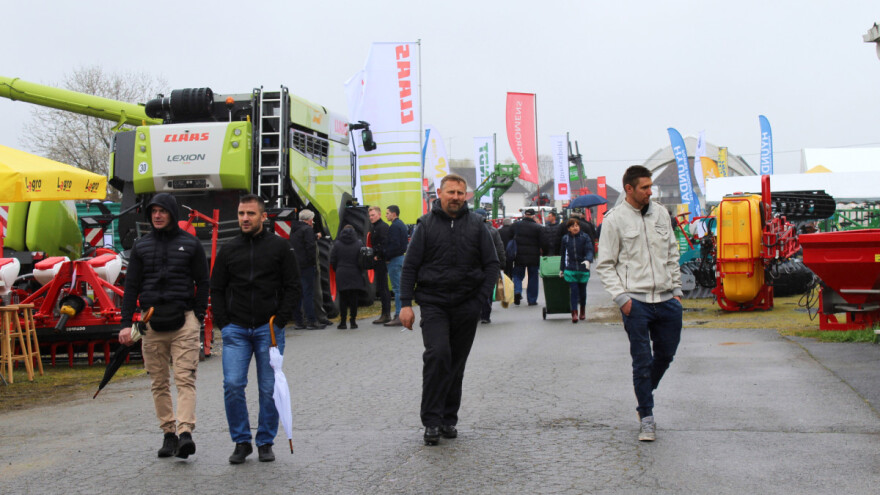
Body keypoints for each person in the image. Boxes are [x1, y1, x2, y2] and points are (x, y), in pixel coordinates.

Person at [399, 174, 499, 446]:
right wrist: (405, 304)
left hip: (467, 304)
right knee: (438, 355)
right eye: (451, 192)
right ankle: (431, 421)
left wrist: (480, 299)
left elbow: (492, 264)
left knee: (456, 364)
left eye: (461, 193)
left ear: (466, 196)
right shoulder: (425, 225)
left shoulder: (477, 225)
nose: (456, 197)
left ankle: (447, 419)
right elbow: (410, 267)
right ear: (440, 194)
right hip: (434, 303)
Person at [211, 194, 301, 464]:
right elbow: (216, 287)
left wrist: (281, 319)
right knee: (233, 385)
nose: (245, 219)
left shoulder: (279, 248)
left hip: (268, 329)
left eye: (250, 214)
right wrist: (223, 322)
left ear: (263, 216)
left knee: (268, 387)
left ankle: (264, 441)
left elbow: (293, 286)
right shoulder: (229, 249)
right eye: (241, 214)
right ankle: (241, 441)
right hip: (235, 330)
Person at [595, 165, 683, 442]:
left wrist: (677, 290)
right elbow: (606, 264)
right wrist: (622, 299)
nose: (650, 191)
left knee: (666, 355)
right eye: (645, 187)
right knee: (641, 361)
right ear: (629, 189)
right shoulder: (614, 220)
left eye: (651, 186)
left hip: (668, 299)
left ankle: (645, 389)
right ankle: (646, 415)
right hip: (637, 302)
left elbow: (672, 253)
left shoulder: (661, 214)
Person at [118, 193, 209, 460]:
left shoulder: (191, 244)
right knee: (158, 382)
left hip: (184, 321)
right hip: (151, 323)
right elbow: (131, 287)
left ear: (172, 213)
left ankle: (185, 434)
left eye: (162, 211)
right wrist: (126, 324)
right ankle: (168, 434)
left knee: (185, 379)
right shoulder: (141, 246)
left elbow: (203, 282)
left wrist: (199, 316)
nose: (157, 215)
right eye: (153, 211)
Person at [289, 209, 324, 329]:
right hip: (306, 266)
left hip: (295, 265)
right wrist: (313, 263)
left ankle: (298, 321)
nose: (312, 222)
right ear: (309, 220)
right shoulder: (308, 229)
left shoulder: (294, 229)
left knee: (298, 294)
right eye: (312, 219)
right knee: (308, 293)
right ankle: (311, 320)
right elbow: (310, 247)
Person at [559, 218, 594, 323]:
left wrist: (588, 260)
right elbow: (563, 255)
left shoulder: (585, 237)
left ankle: (582, 310)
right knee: (573, 291)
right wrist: (562, 269)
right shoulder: (565, 239)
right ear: (569, 228)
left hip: (583, 268)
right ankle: (574, 312)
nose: (575, 228)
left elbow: (589, 250)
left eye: (577, 226)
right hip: (571, 268)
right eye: (573, 226)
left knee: (582, 292)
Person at [330, 225, 365, 329]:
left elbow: (333, 260)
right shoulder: (359, 243)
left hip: (342, 273)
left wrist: (339, 269)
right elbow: (362, 260)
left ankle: (343, 322)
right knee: (354, 299)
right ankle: (353, 321)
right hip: (355, 272)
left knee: (343, 299)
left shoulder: (337, 244)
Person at [475, 209, 505, 324]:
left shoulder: (471, 230)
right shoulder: (493, 231)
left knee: (475, 289)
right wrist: (502, 264)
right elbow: (499, 248)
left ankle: (477, 313)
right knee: (487, 289)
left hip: (475, 265)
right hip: (490, 265)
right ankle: (485, 315)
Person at [511, 209, 543, 306]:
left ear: (524, 215)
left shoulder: (516, 225)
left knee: (517, 275)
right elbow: (543, 242)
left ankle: (517, 291)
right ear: (534, 216)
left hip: (519, 256)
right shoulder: (538, 227)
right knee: (533, 277)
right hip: (534, 256)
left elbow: (509, 238)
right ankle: (532, 300)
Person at [383, 204, 408, 327]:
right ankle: (401, 314)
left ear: (394, 214)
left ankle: (398, 315)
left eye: (387, 213)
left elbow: (394, 245)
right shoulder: (402, 225)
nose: (386, 215)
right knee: (400, 288)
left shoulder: (394, 227)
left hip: (395, 260)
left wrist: (386, 256)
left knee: (397, 289)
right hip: (402, 258)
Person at [368, 206, 392, 324]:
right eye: (370, 216)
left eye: (373, 215)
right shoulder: (375, 227)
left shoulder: (382, 227)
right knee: (381, 287)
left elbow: (384, 243)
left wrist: (377, 254)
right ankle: (385, 313)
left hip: (381, 260)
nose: (371, 217)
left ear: (379, 214)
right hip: (378, 260)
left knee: (383, 288)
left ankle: (386, 314)